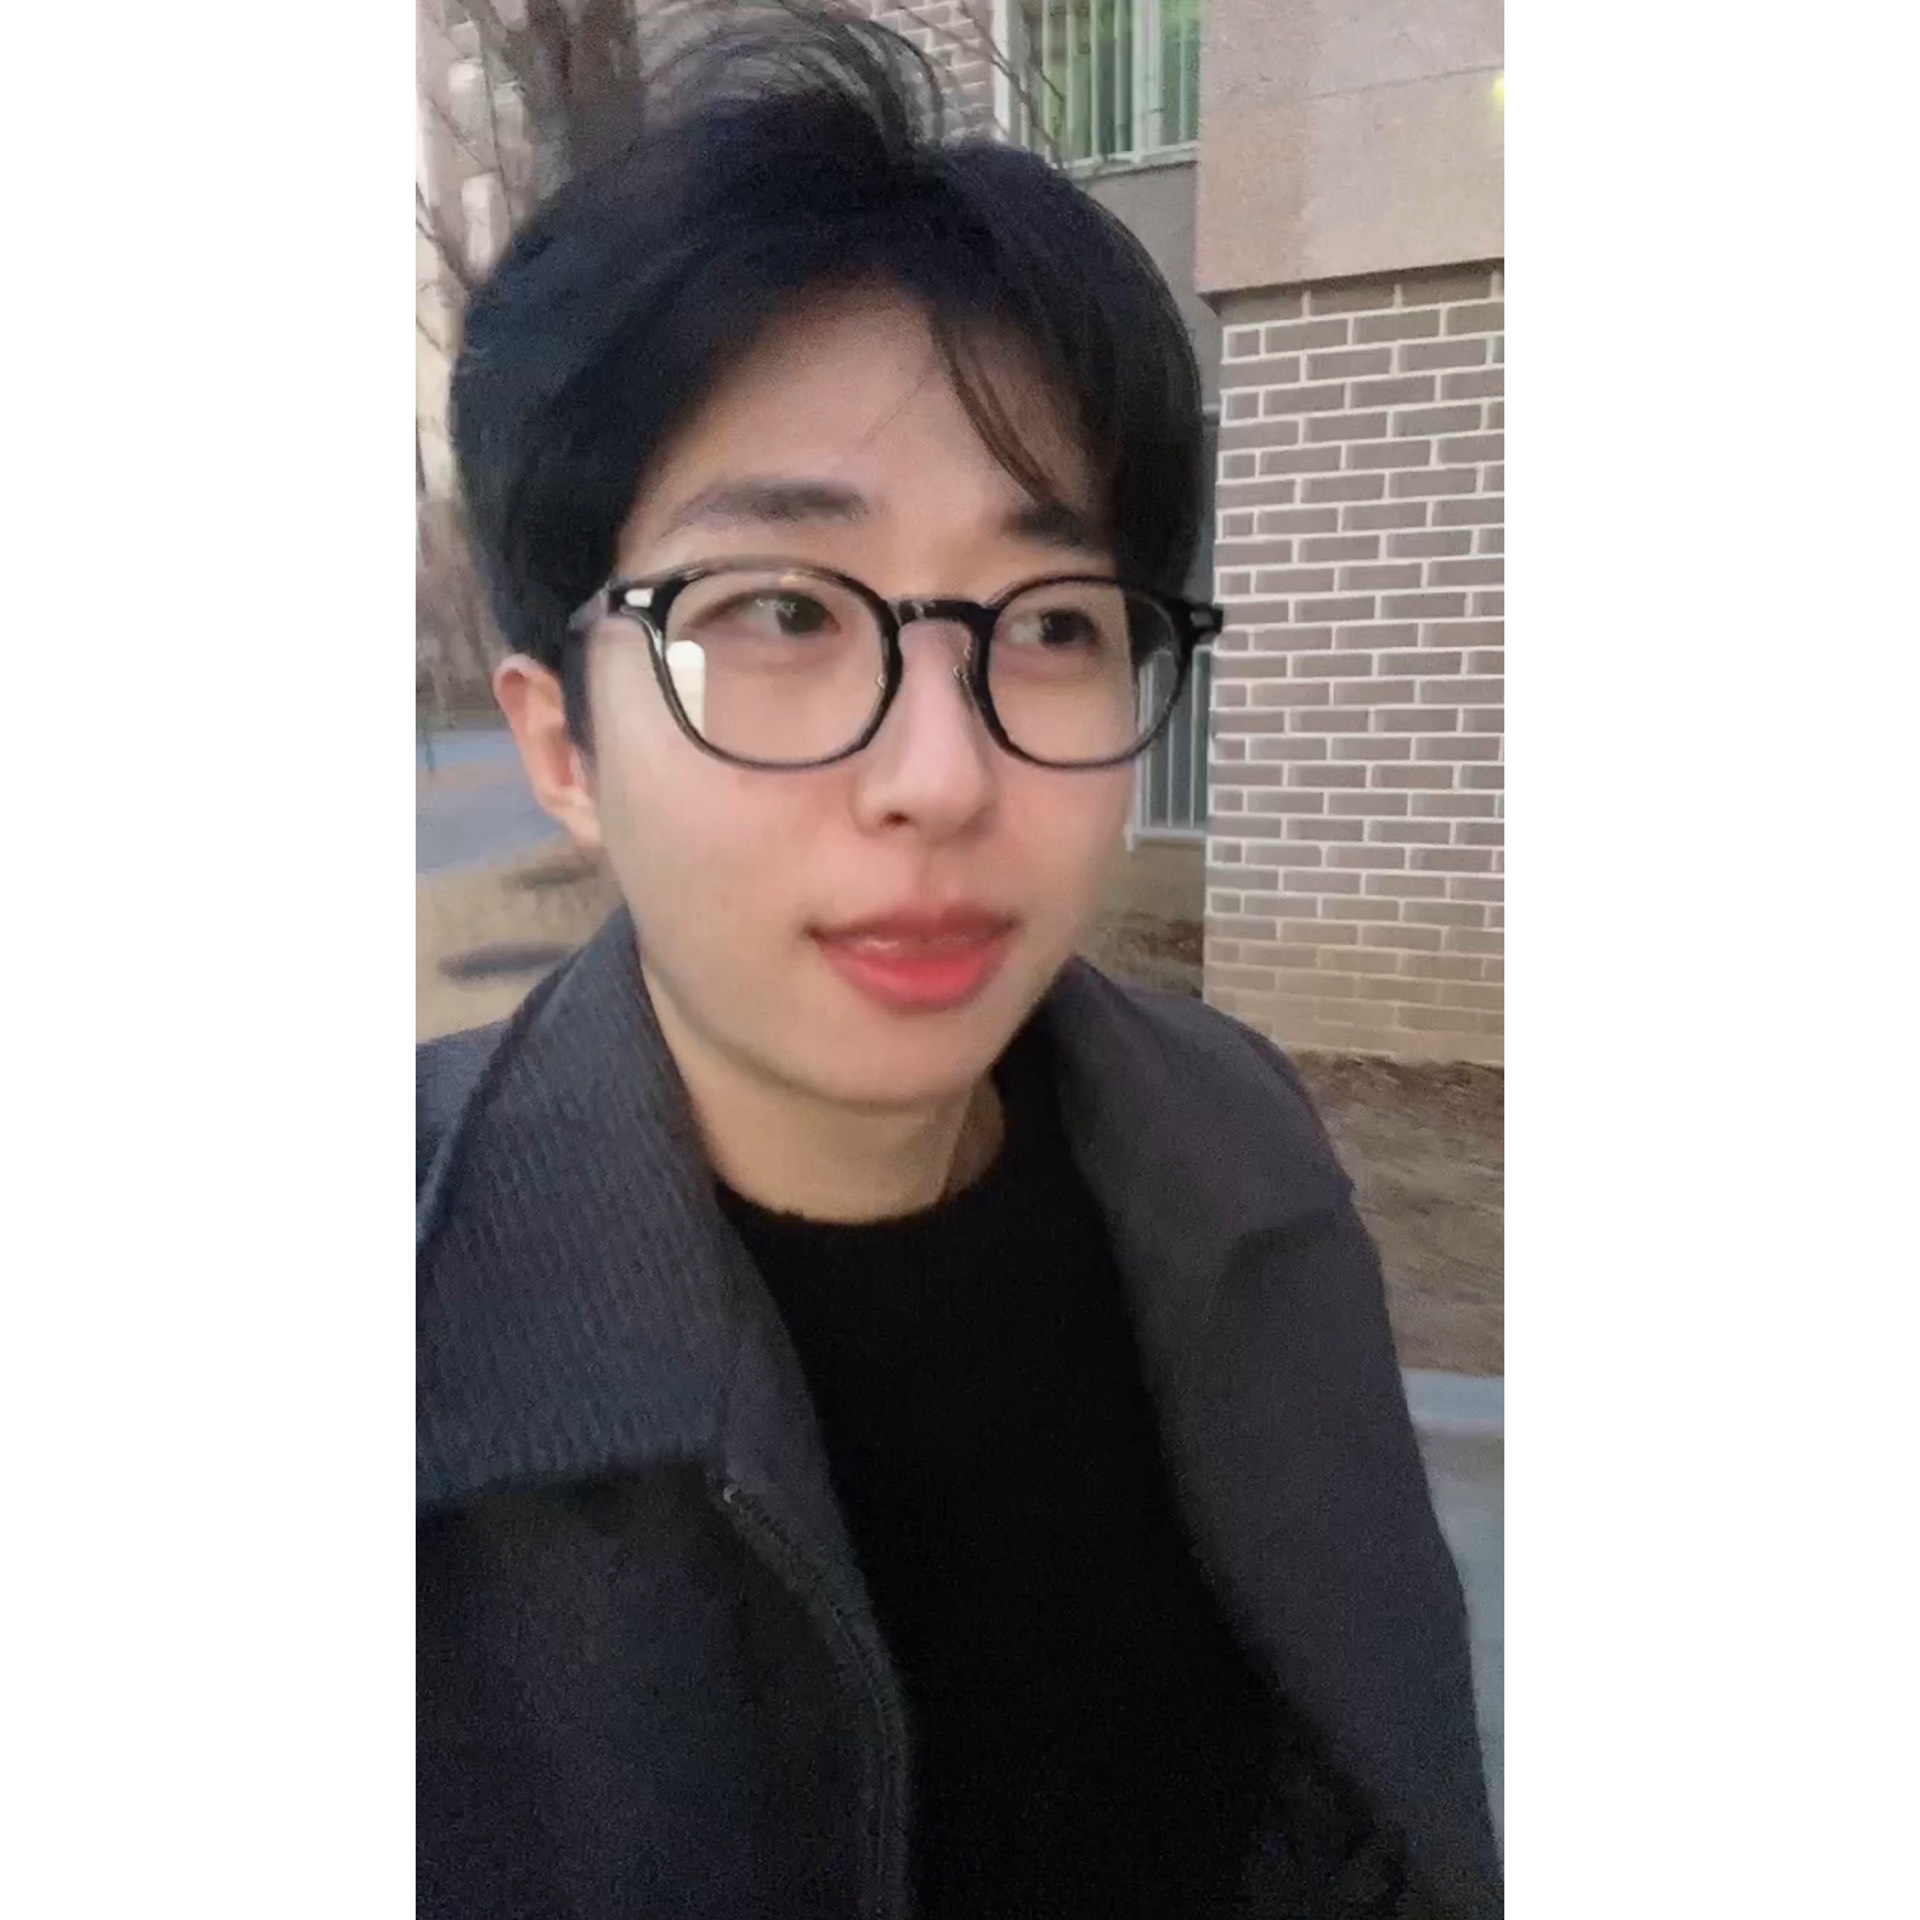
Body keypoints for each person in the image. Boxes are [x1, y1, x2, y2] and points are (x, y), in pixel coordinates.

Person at [417, 7, 1500, 1916]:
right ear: (561, 740)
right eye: (778, 609)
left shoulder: (1233, 1151)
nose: (942, 772)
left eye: (1056, 622)